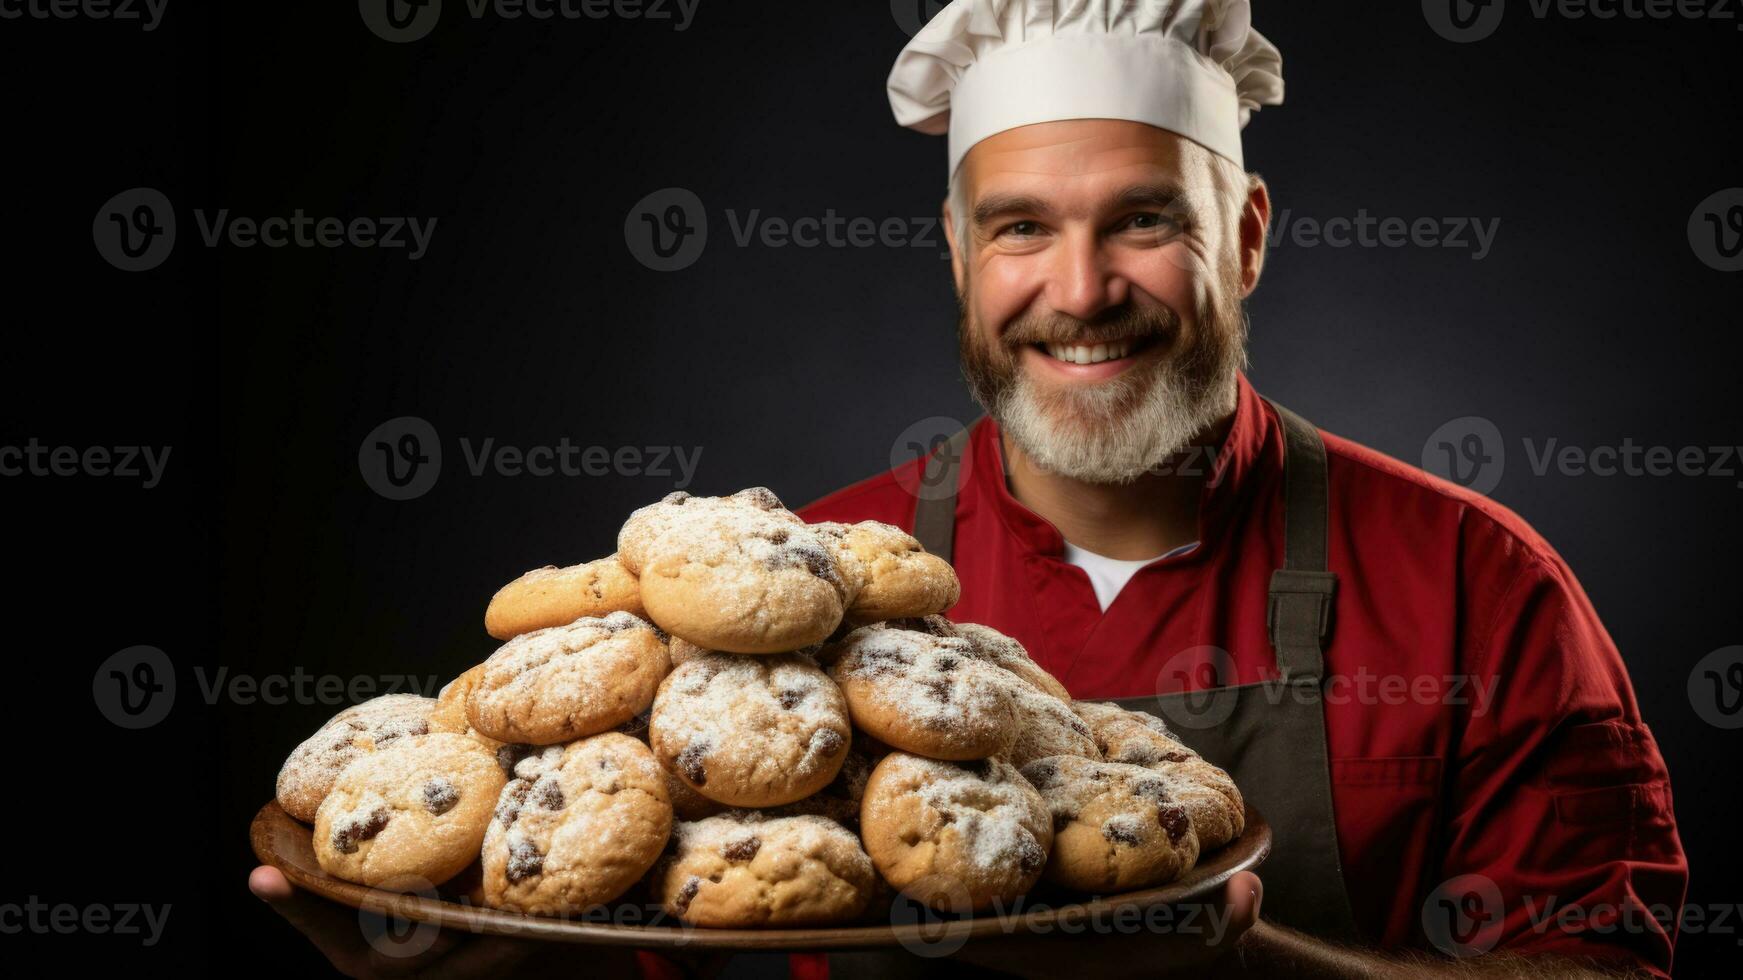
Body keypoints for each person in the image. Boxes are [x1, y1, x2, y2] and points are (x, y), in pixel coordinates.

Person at [252, 1, 1686, 976]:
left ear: (1242, 238)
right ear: (956, 254)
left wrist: (1262, 975)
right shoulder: (783, 596)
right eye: (1021, 230)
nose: (1079, 293)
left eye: (1142, 222)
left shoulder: (1478, 589)